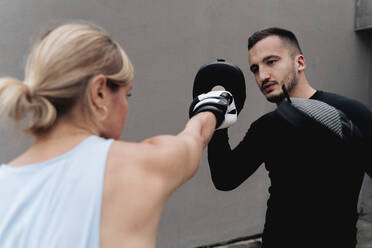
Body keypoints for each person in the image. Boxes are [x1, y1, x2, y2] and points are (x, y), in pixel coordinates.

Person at [0, 21, 237, 248]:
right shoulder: (138, 165)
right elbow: (193, 140)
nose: (125, 105)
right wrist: (211, 109)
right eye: (127, 94)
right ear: (99, 93)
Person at [207, 27, 372, 248]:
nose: (262, 76)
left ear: (299, 63)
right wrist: (219, 124)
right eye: (255, 69)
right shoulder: (266, 127)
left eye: (271, 62)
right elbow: (225, 178)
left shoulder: (350, 112)